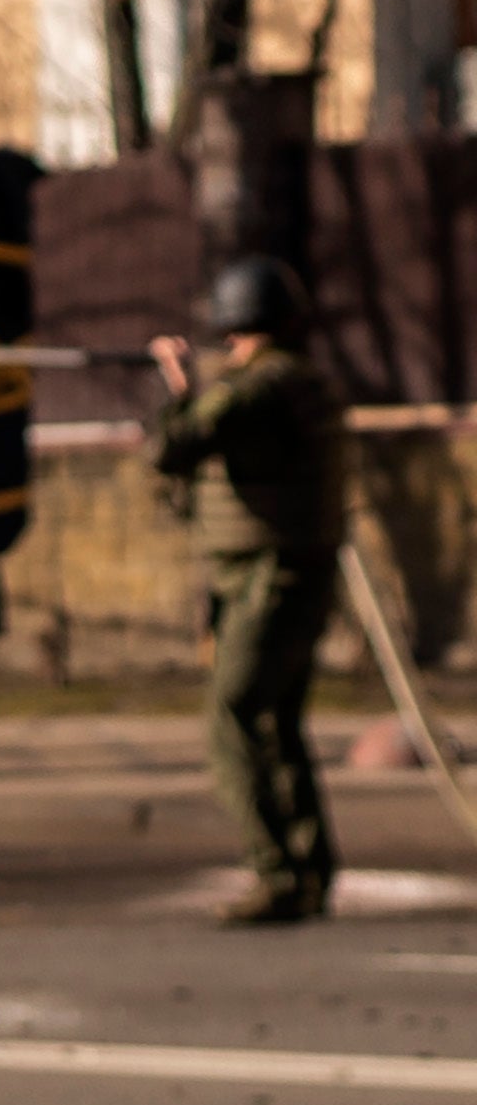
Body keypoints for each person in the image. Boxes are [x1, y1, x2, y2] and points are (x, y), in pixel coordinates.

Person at [150, 254, 352, 926]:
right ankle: (306, 869)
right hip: (286, 575)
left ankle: (276, 870)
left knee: (231, 718)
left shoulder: (260, 388)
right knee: (275, 722)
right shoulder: (299, 381)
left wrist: (178, 385)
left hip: (268, 579)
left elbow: (175, 445)